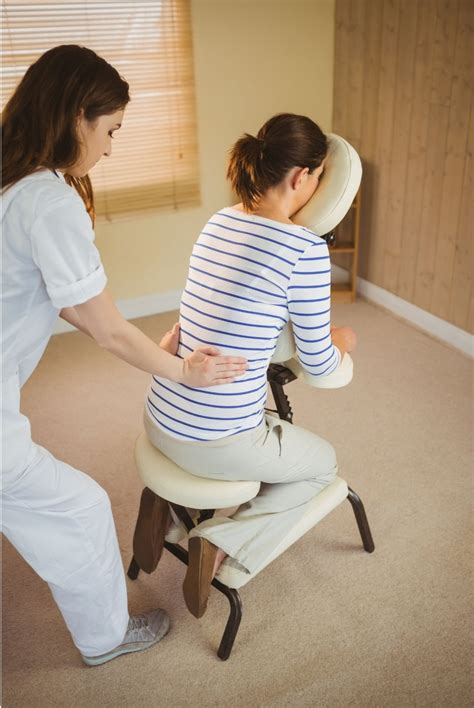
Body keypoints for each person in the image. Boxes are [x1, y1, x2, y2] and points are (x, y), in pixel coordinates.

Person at [1, 45, 247, 667]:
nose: (110, 148)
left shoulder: (13, 181)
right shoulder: (47, 200)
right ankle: (106, 637)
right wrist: (183, 369)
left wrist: (129, 340)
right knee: (81, 508)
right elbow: (107, 328)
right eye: (110, 130)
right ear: (77, 116)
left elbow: (68, 303)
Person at [143, 113, 357, 618]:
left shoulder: (218, 220)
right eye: (319, 176)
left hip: (158, 415)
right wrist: (342, 341)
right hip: (214, 441)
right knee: (321, 467)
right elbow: (320, 365)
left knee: (262, 430)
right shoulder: (305, 250)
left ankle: (167, 514)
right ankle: (218, 540)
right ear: (301, 178)